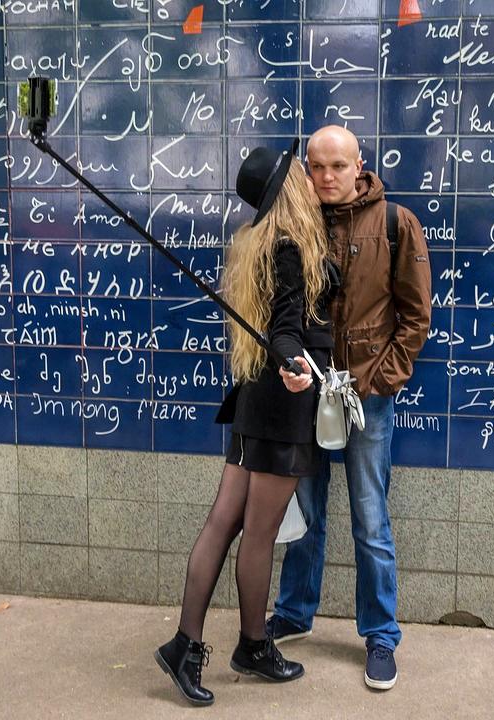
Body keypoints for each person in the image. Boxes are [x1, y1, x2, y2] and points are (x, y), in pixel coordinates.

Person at [155, 139, 338, 707]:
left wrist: (288, 359)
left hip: (254, 403)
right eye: (299, 172)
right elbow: (286, 328)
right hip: (283, 407)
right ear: (287, 189)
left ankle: (189, 643)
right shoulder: (289, 246)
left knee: (223, 523)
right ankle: (250, 646)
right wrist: (296, 364)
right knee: (255, 534)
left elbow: (279, 323)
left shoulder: (259, 243)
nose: (310, 176)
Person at [267, 126, 432, 691]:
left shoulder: (396, 223)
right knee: (307, 513)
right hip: (307, 392)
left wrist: (378, 383)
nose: (329, 177)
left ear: (360, 164)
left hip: (367, 397)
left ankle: (381, 635)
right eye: (318, 167)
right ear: (307, 170)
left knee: (370, 516)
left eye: (339, 165)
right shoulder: (297, 225)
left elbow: (415, 318)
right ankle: (293, 614)